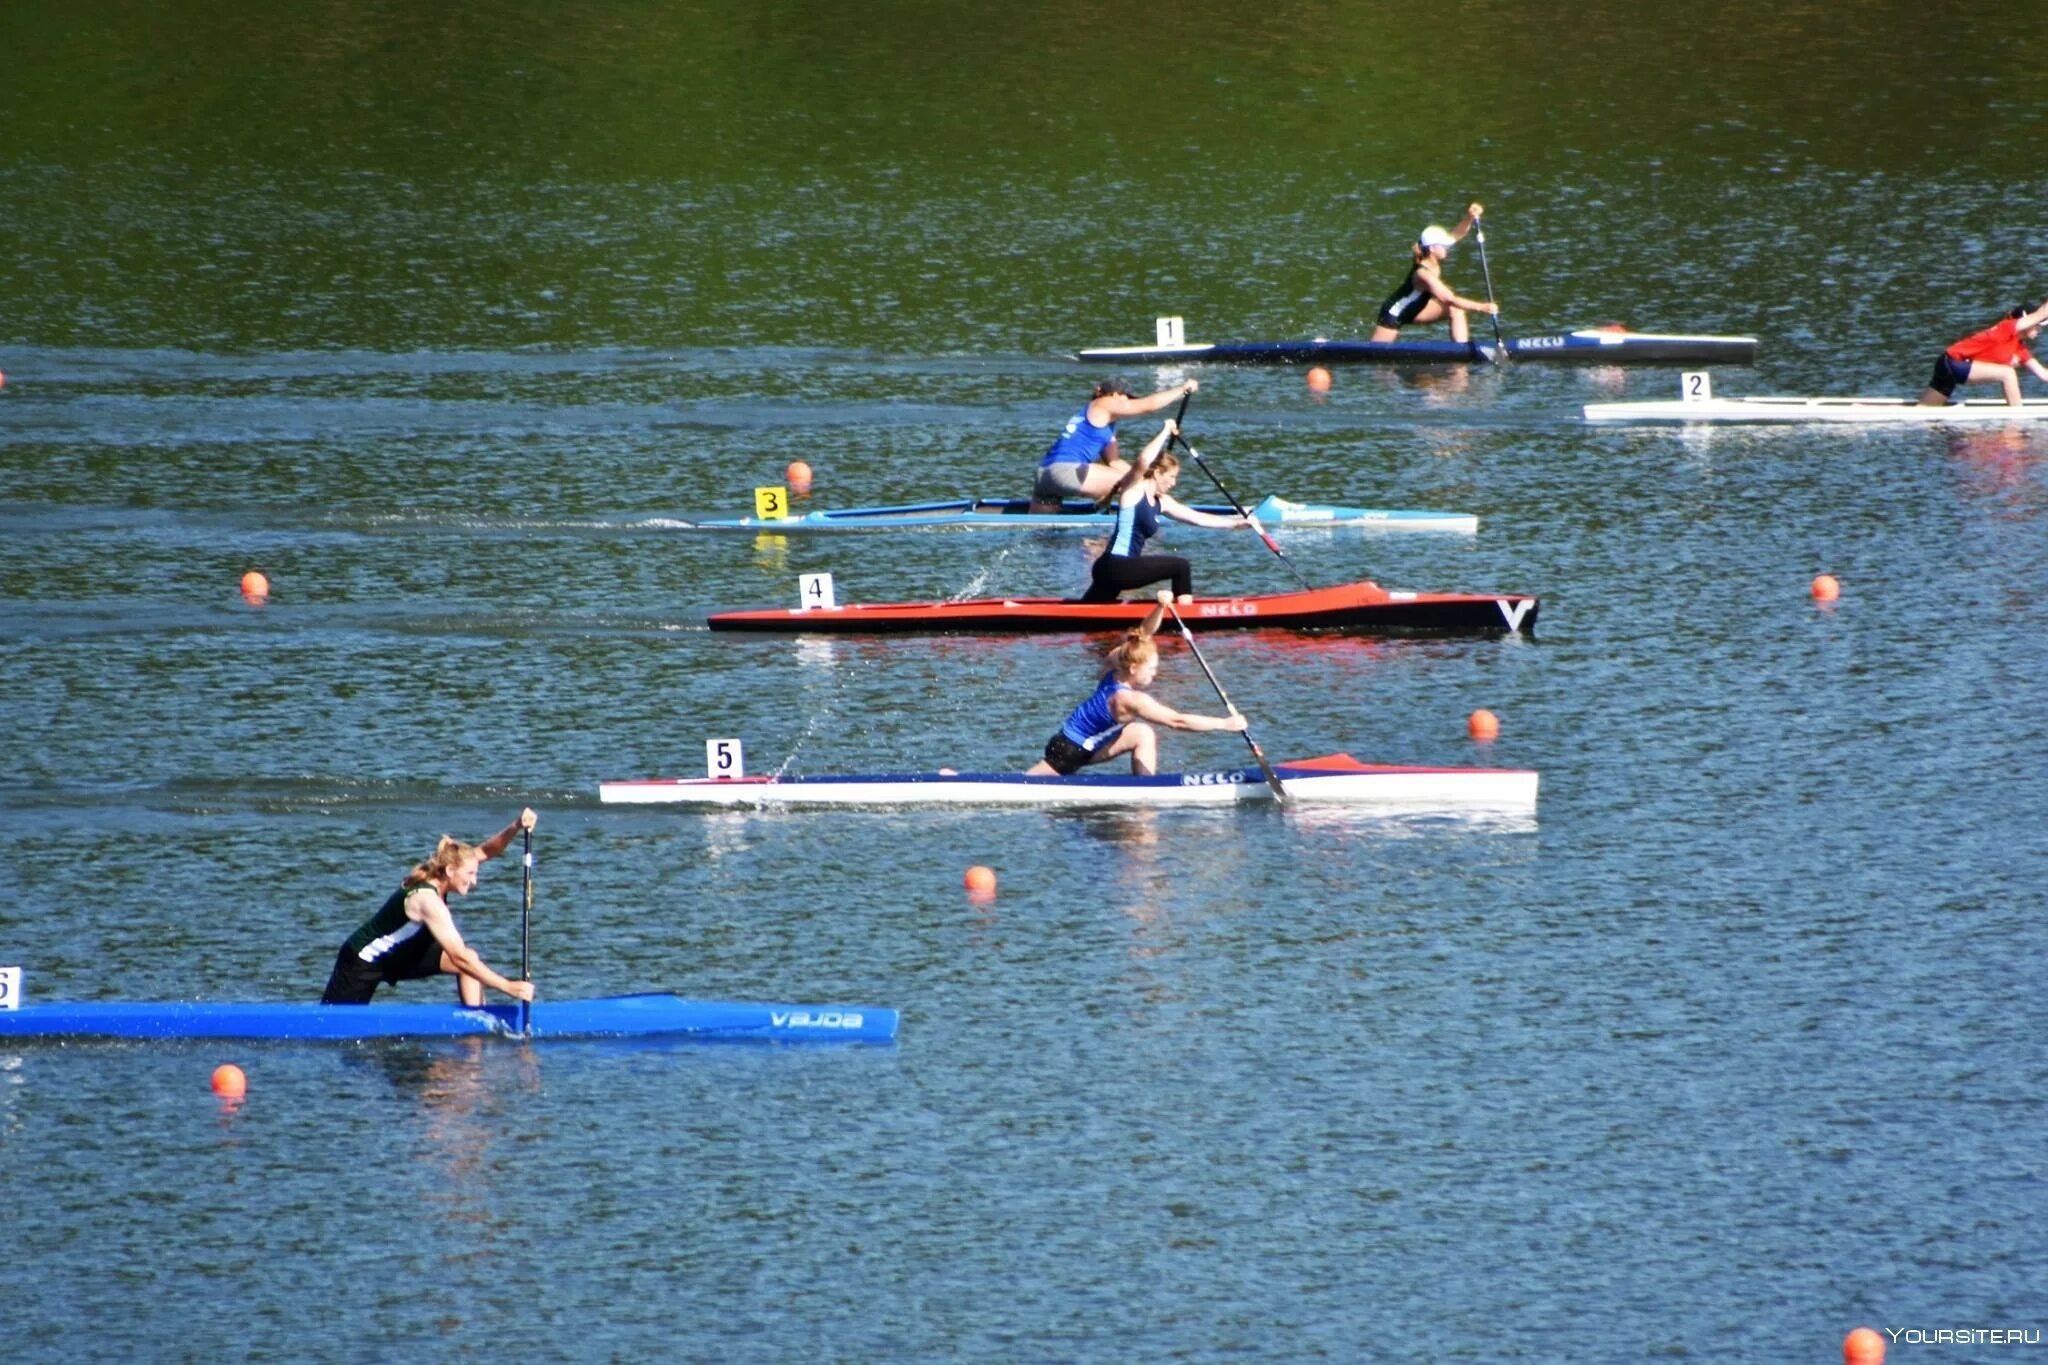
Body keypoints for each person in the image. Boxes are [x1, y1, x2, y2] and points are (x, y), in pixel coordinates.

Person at [320, 809, 540, 1007]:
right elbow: (458, 956)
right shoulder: (428, 901)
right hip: (362, 962)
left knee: (471, 960)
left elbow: (486, 851)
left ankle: (476, 1023)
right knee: (330, 1028)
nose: (474, 881)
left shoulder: (444, 874)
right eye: (471, 874)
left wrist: (516, 826)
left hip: (401, 954)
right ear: (451, 871)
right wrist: (507, 986)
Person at [1025, 593, 1249, 776]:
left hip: (1068, 742)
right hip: (1070, 752)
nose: (1155, 673)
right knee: (1025, 785)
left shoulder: (1115, 663)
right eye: (1151, 669)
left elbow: (1142, 635)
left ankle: (1145, 787)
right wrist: (1224, 724)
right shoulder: (1131, 700)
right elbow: (1177, 721)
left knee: (1142, 733)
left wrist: (1160, 607)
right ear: (1134, 668)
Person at [1080, 419, 1248, 603]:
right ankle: (1187, 616)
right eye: (1171, 477)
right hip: (1117, 566)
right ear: (1157, 473)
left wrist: (1235, 523)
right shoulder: (1133, 490)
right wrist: (1165, 431)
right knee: (1181, 567)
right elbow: (1144, 460)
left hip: (1112, 570)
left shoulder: (1163, 502)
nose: (1174, 483)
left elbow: (1197, 518)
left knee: (1086, 612)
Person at [1032, 375, 1199, 510]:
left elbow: (1114, 461)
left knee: (1043, 537)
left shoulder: (1103, 423)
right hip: (1065, 471)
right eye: (1128, 398)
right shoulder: (1103, 403)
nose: (1129, 403)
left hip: (1045, 476)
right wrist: (1182, 389)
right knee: (1137, 485)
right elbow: (1149, 405)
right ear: (1115, 395)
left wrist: (1146, 473)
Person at [1369, 201, 1499, 343]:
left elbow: (1457, 234)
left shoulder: (1433, 257)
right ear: (1432, 249)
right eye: (1443, 246)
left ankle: (1460, 352)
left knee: (1456, 310)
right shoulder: (1423, 274)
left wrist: (1469, 216)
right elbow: (1450, 298)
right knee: (1376, 360)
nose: (1447, 248)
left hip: (1418, 309)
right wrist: (1482, 307)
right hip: (1394, 313)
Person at [1919, 301, 2048, 406]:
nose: (2039, 329)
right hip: (1952, 363)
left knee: (1922, 412)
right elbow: (2042, 313)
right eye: (2037, 325)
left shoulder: (2019, 348)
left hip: (1948, 367)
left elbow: (2044, 375)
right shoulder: (2007, 327)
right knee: (2008, 373)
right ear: (2025, 321)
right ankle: (2018, 418)